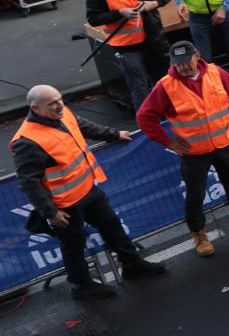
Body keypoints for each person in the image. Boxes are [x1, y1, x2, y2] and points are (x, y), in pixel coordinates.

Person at [11, 86, 167, 299]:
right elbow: (29, 182)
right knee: (74, 245)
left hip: (87, 191)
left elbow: (84, 126)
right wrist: (51, 212)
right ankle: (80, 285)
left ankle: (132, 264)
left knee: (112, 225)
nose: (60, 105)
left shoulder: (63, 114)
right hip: (64, 205)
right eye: (52, 103)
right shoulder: (27, 141)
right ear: (35, 108)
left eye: (60, 99)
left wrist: (113, 134)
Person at [136, 41, 229, 256]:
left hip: (222, 144)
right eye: (177, 64)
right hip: (193, 153)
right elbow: (144, 117)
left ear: (197, 56)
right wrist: (168, 142)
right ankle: (199, 235)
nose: (182, 67)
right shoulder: (165, 86)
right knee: (195, 195)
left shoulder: (215, 72)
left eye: (185, 62)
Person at [85, 0, 171, 109]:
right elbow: (93, 19)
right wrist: (119, 13)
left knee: (164, 81)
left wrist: (155, 3)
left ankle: (171, 112)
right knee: (139, 87)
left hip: (153, 40)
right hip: (126, 47)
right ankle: (147, 120)